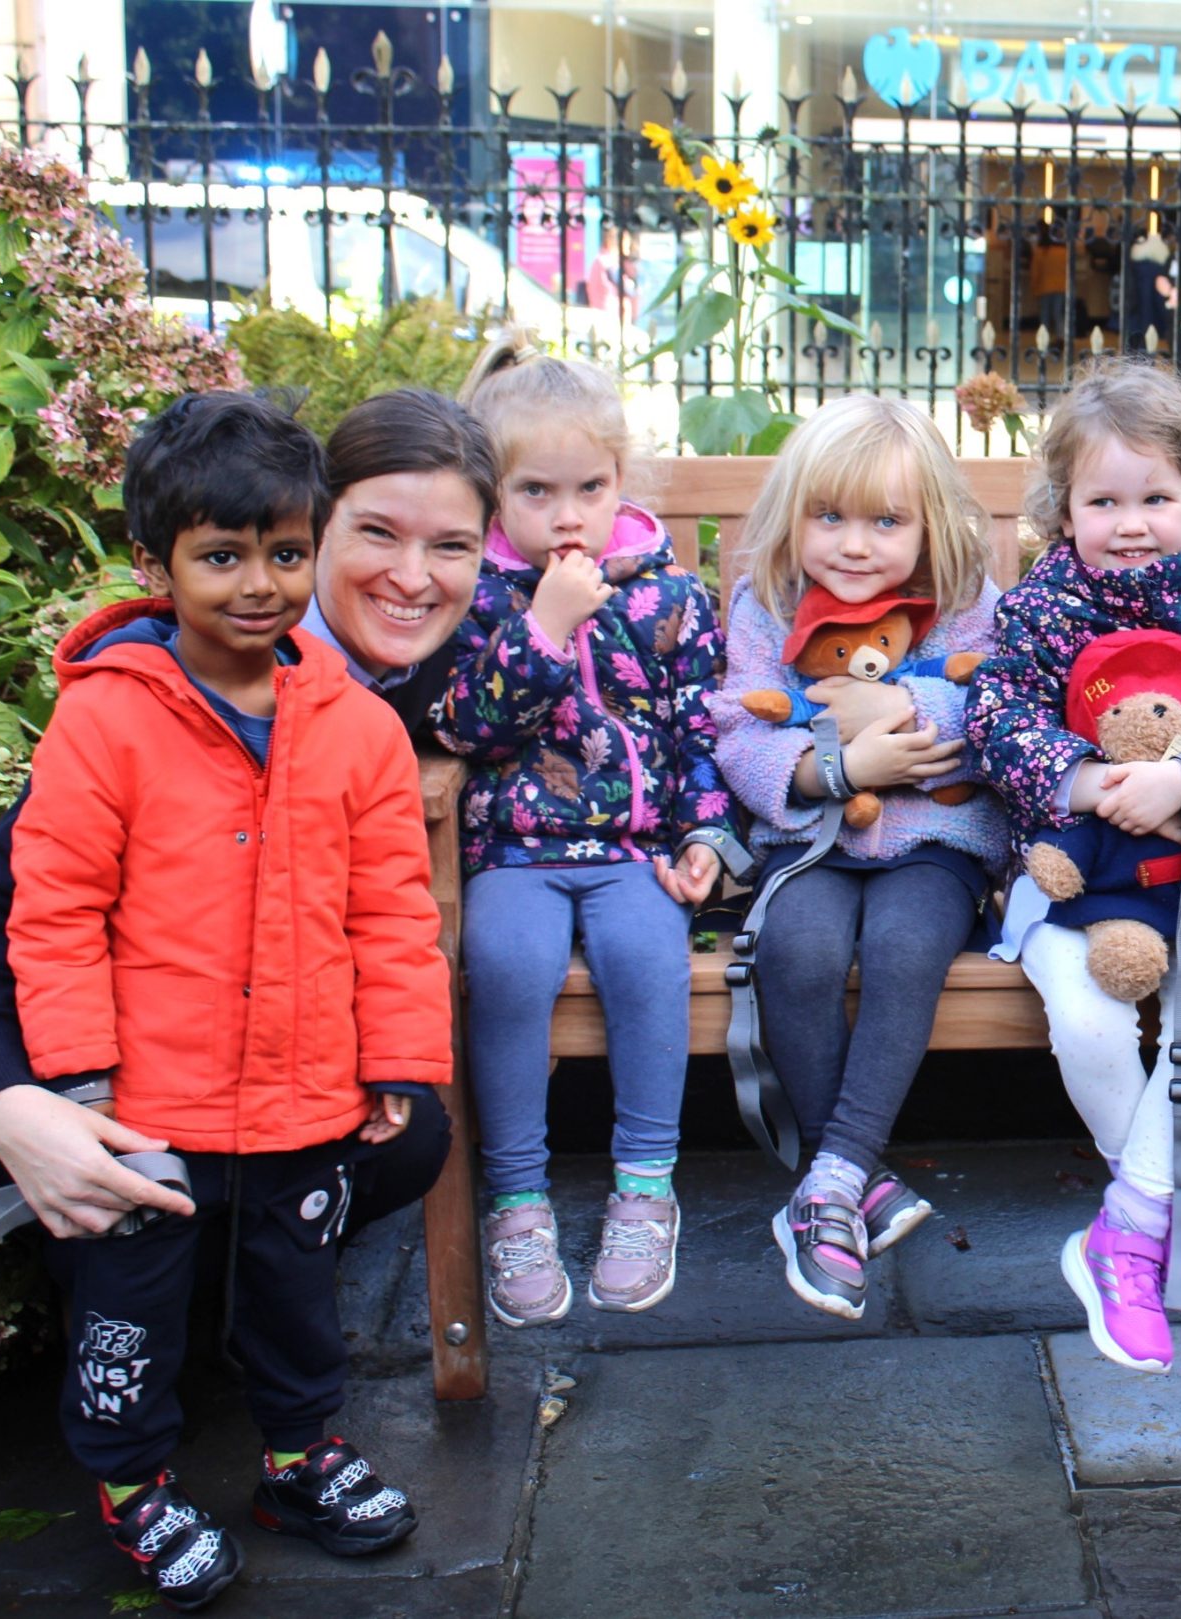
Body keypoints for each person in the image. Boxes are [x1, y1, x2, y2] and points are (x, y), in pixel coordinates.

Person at [4, 393, 447, 1607]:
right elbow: (53, 908)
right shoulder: (106, 717)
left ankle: (301, 1457)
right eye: (221, 555)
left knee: (295, 1295)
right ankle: (129, 1481)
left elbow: (394, 909)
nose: (259, 583)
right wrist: (78, 1076)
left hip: (306, 1089)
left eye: (286, 553)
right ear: (155, 563)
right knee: (132, 1306)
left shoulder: (353, 724)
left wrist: (396, 1058)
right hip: (151, 1097)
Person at [0, 387, 492, 1253]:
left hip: (257, 1055)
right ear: (312, 523)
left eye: (450, 545)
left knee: (407, 1137)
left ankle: (240, 1290)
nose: (413, 576)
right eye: (377, 532)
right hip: (73, 1052)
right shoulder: (164, 681)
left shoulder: (413, 671)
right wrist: (9, 1100)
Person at [968, 357, 1181, 1374]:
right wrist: (1078, 783)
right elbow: (997, 719)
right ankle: (1159, 1197)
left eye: (1154, 497)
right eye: (1101, 499)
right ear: (1060, 507)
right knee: (1085, 1017)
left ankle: (1124, 1232)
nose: (1129, 522)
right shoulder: (1038, 607)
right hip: (1081, 862)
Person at [433, 335, 739, 1326]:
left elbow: (701, 728)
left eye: (589, 487)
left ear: (619, 480)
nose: (566, 515)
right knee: (507, 965)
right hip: (514, 852)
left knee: (649, 961)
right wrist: (542, 631)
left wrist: (703, 839)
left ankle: (645, 1185)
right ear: (491, 497)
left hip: (630, 853)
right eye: (534, 492)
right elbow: (463, 726)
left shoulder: (668, 595)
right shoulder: (475, 597)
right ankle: (516, 1198)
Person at [709, 396, 1009, 1321]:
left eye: (887, 521)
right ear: (794, 517)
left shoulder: (964, 604)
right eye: (829, 516)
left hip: (936, 842)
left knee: (903, 950)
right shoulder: (765, 605)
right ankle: (848, 1182)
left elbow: (990, 709)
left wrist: (891, 721)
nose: (854, 543)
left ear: (928, 527)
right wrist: (831, 766)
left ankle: (826, 1176)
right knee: (795, 954)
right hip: (812, 843)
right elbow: (736, 727)